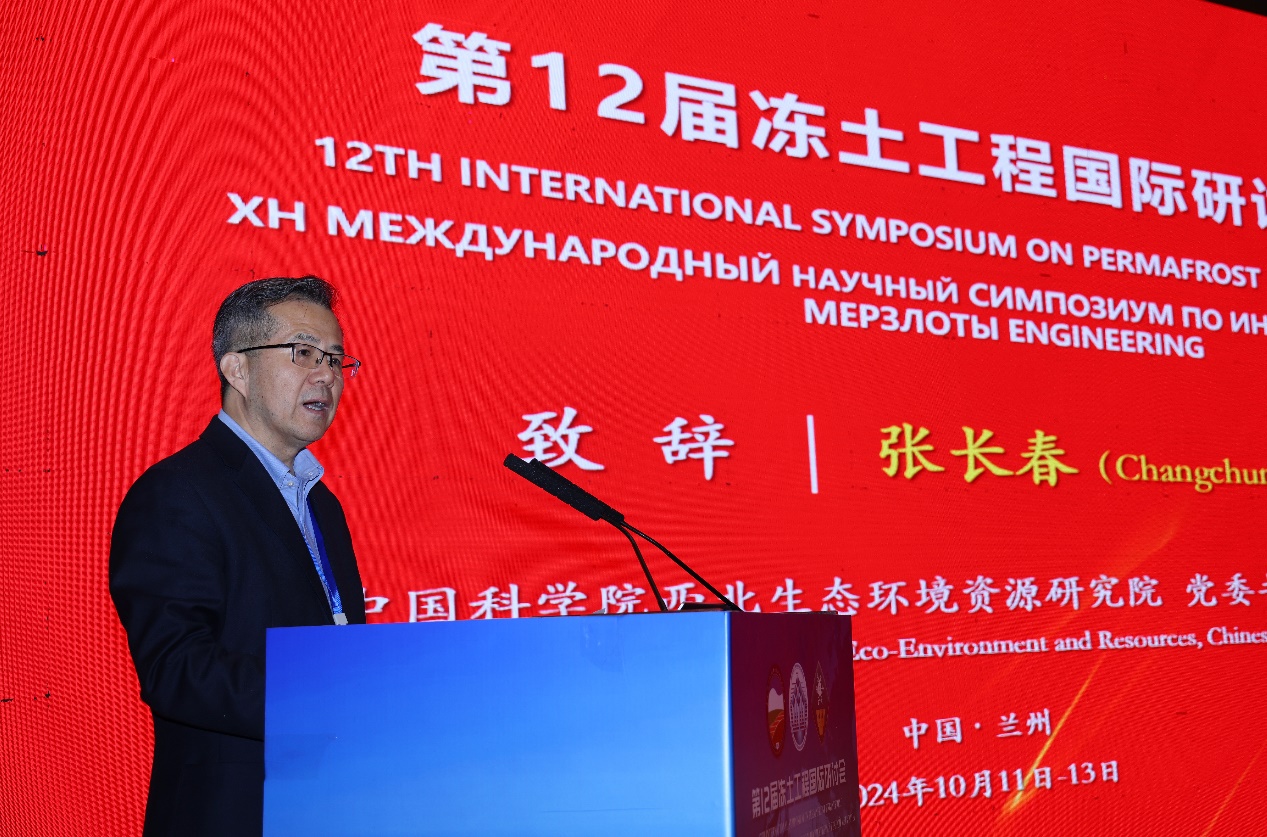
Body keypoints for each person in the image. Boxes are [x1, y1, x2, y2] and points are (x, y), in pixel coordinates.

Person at [110, 276, 366, 836]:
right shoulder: (178, 492)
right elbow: (177, 667)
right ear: (237, 370)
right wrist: (324, 699)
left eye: (335, 359)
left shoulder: (321, 503)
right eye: (303, 352)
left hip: (330, 803)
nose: (326, 374)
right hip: (235, 811)